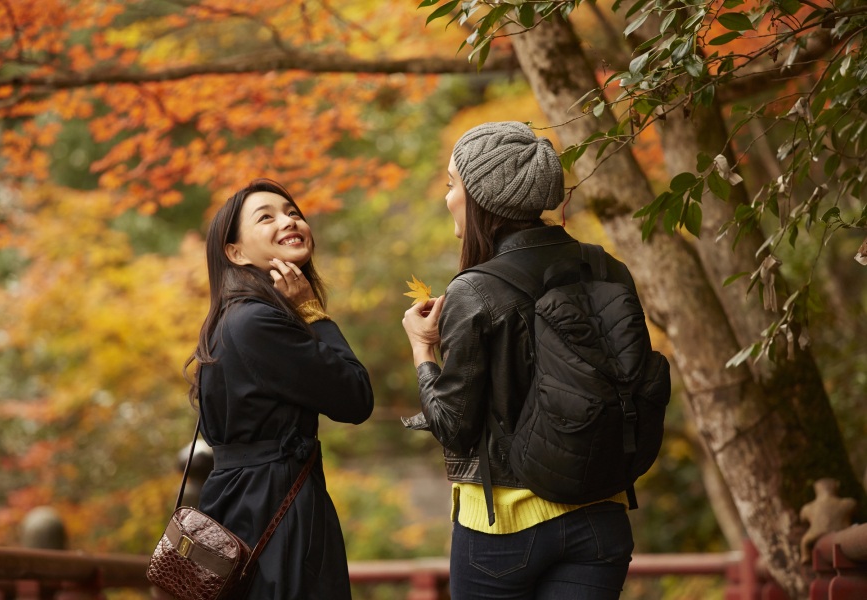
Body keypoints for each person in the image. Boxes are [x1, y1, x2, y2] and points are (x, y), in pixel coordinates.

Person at [401, 121, 635, 599]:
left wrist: (423, 350)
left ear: (483, 199)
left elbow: (454, 425)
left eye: (452, 185)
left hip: (501, 528)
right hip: (600, 514)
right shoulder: (606, 267)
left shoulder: (474, 289)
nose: (447, 197)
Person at [186, 178, 374, 599]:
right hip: (274, 511)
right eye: (265, 217)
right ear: (234, 252)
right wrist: (312, 312)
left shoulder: (235, 318)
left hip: (249, 502)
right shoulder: (256, 322)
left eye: (292, 212)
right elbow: (355, 397)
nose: (289, 221)